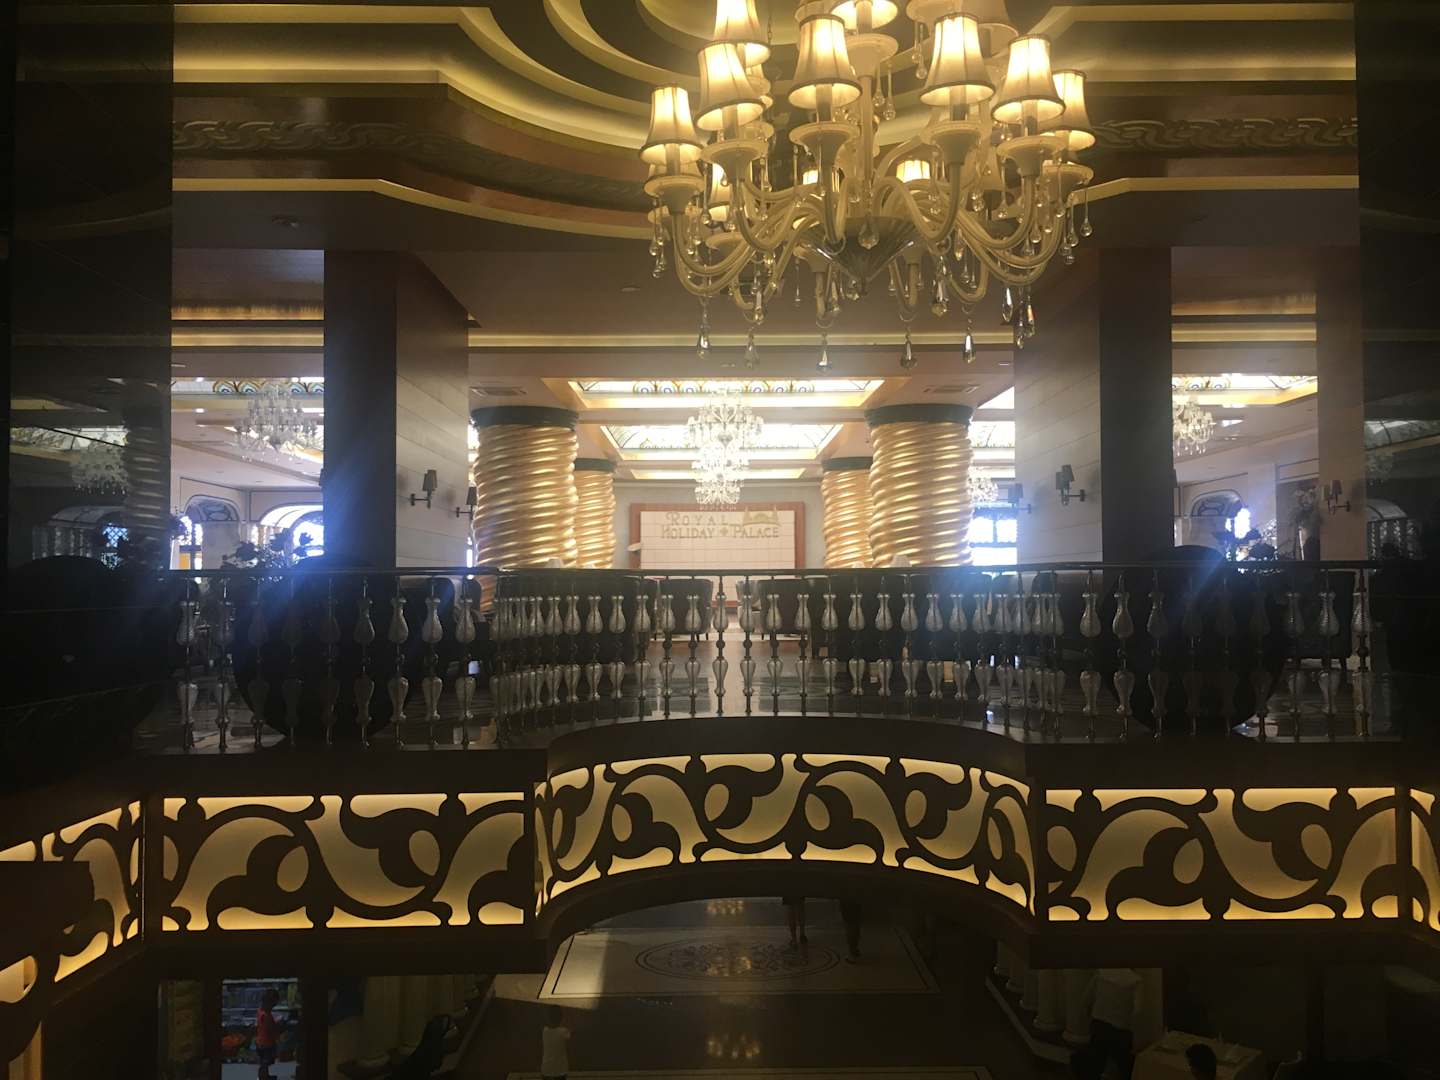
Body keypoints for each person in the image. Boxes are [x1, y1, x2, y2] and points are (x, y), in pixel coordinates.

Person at [254, 988, 281, 1080]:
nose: (273, 1007)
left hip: (260, 1041)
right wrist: (277, 1027)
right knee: (266, 1061)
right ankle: (263, 1077)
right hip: (267, 1043)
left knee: (263, 1062)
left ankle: (264, 1075)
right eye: (273, 1005)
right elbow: (270, 1029)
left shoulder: (260, 1011)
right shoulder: (266, 1016)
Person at [541, 1004, 571, 1080]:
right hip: (560, 1070)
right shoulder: (564, 1032)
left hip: (546, 1069)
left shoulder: (545, 1031)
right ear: (561, 1018)